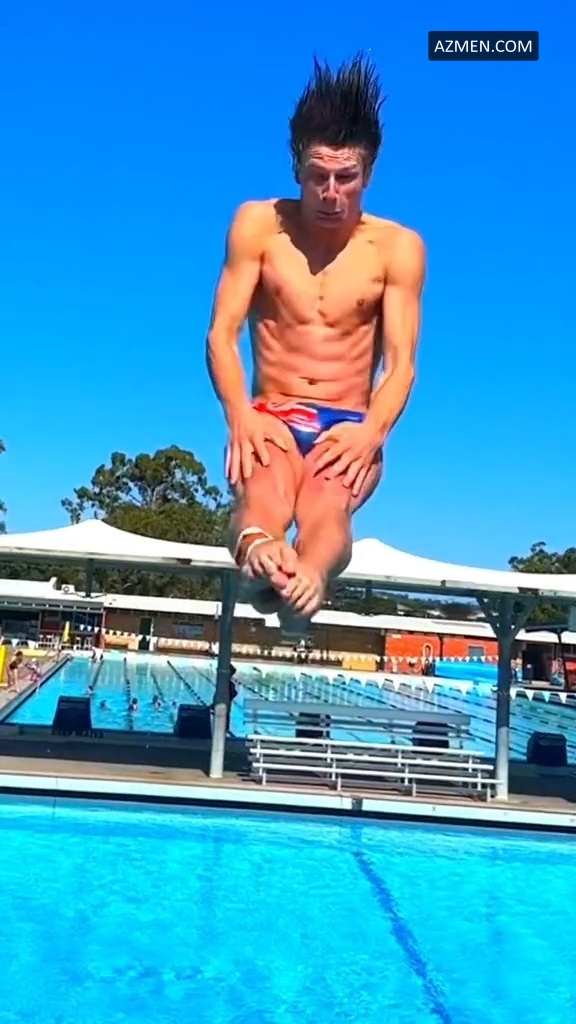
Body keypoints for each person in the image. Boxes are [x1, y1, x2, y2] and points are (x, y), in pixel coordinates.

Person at [207, 55, 425, 629]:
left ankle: (309, 575)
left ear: (368, 173)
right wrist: (238, 415)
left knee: (329, 508)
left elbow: (401, 364)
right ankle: (260, 553)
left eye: (345, 178)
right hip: (271, 412)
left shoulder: (398, 249)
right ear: (296, 169)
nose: (330, 193)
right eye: (316, 176)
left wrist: (372, 433)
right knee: (262, 497)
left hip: (349, 422)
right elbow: (222, 334)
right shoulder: (258, 225)